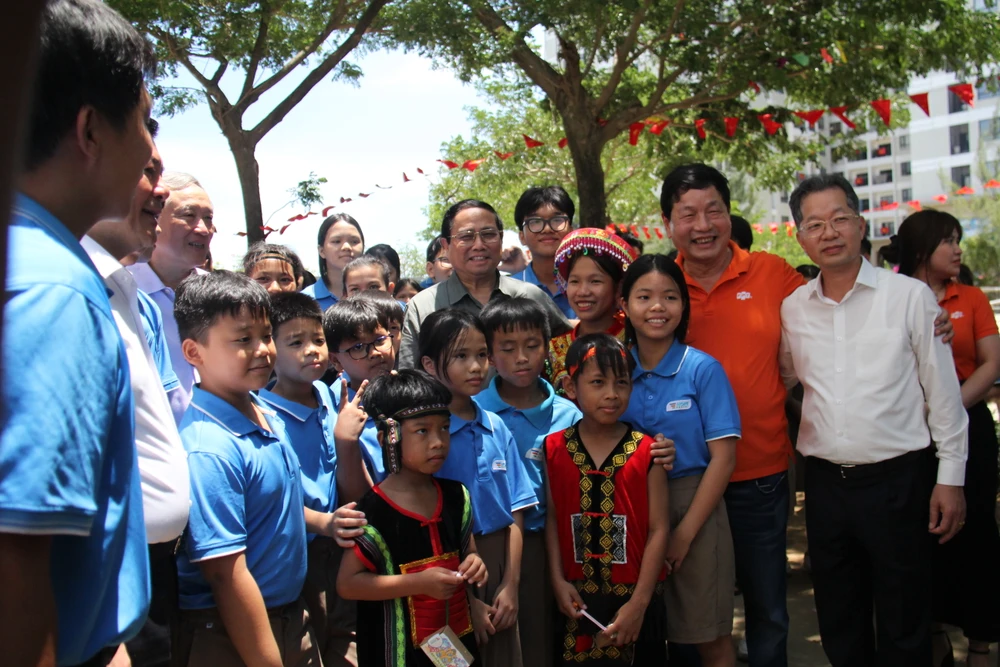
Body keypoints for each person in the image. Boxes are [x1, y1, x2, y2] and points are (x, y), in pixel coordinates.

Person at [1, 2, 155, 664]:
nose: (154, 150)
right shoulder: (57, 294)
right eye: (146, 123)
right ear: (91, 129)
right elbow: (15, 555)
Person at [780, 174, 968, 667]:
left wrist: (950, 478)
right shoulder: (793, 310)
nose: (830, 231)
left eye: (840, 218)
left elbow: (943, 395)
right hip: (825, 487)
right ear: (800, 236)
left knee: (905, 620)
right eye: (815, 224)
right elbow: (779, 378)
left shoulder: (909, 297)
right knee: (839, 619)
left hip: (899, 481)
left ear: (861, 225)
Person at [655, 163, 807, 667]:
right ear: (667, 224)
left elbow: (830, 312)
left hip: (758, 475)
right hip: (682, 483)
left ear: (728, 213)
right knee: (692, 615)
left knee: (767, 609)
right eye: (688, 214)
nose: (703, 225)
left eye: (713, 210)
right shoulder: (660, 285)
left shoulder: (772, 274)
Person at [173, 271, 323, 667]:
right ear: (193, 352)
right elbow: (225, 574)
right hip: (233, 634)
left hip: (289, 616)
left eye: (266, 334)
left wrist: (323, 523)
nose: (263, 350)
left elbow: (272, 505)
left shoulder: (265, 410)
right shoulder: (209, 448)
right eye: (243, 339)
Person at [83, 138, 193, 667]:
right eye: (147, 170)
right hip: (102, 588)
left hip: (149, 573)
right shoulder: (67, 287)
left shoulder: (120, 288)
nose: (161, 190)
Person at [885, 210, 1000, 667]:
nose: (957, 249)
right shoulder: (893, 298)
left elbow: (991, 365)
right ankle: (931, 635)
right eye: (948, 241)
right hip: (910, 437)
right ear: (920, 248)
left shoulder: (970, 298)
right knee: (918, 537)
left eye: (958, 240)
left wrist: (943, 407)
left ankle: (981, 642)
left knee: (974, 536)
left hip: (965, 430)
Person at [620, 255, 741, 666]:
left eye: (670, 297)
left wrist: (685, 532)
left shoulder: (703, 370)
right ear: (625, 305)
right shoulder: (612, 369)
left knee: (708, 635)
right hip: (629, 509)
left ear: (683, 306)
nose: (658, 307)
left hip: (694, 506)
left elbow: (723, 459)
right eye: (645, 297)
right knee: (639, 635)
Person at [336, 370, 490, 667]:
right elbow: (348, 584)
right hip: (397, 650)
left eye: (444, 428)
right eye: (422, 431)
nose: (438, 442)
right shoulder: (372, 511)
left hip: (454, 643)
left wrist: (475, 565)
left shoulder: (457, 496)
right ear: (388, 438)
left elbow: (468, 553)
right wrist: (417, 582)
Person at [419, 309, 538, 667]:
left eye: (482, 355)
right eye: (460, 356)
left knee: (502, 655)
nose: (476, 367)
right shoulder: (426, 435)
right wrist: (465, 598)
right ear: (428, 363)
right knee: (449, 659)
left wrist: (510, 585)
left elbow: (515, 510)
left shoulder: (496, 427)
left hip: (500, 563)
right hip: (443, 571)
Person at [257, 292, 369, 667]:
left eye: (318, 341)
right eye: (296, 342)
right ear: (270, 348)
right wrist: (323, 523)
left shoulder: (327, 393)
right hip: (301, 550)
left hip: (340, 542)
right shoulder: (263, 414)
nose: (312, 351)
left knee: (348, 640)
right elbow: (276, 501)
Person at [545, 334, 669, 665]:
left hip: (635, 596)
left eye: (622, 383)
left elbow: (659, 529)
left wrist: (639, 603)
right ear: (571, 388)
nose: (611, 394)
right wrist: (557, 580)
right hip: (576, 596)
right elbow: (553, 519)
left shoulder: (648, 451)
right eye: (598, 382)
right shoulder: (553, 449)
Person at [476, 296, 583, 664]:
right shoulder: (474, 411)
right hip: (483, 546)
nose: (521, 357)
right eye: (507, 348)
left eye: (532, 345)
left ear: (548, 348)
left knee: (537, 639)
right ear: (489, 355)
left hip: (544, 543)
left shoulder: (568, 415)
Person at [399, 199, 571, 369]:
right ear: (446, 245)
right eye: (466, 237)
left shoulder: (530, 296)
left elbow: (566, 357)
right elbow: (410, 379)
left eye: (488, 234)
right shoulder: (423, 307)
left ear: (501, 238)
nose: (479, 245)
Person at [129, 170, 215, 423]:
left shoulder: (220, 294)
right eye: (189, 216)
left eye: (208, 218)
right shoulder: (123, 292)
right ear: (156, 218)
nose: (203, 229)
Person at [547, 228, 638, 396]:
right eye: (574, 281)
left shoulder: (636, 341)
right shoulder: (553, 348)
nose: (583, 291)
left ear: (618, 289)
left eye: (595, 281)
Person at [326, 297, 397, 484]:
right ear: (335, 360)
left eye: (380, 340)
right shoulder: (335, 414)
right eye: (358, 347)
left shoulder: (412, 394)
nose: (374, 353)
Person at [510, 186, 577, 318]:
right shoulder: (508, 292)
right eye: (535, 221)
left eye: (557, 220)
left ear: (571, 231)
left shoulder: (591, 286)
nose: (547, 229)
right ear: (522, 237)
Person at [304, 213, 364, 311]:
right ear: (322, 251)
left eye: (354, 241)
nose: (346, 247)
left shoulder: (377, 297)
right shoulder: (305, 301)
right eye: (336, 241)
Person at [356, 289, 405, 360]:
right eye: (376, 328)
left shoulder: (411, 367)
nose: (386, 335)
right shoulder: (351, 370)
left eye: (393, 328)